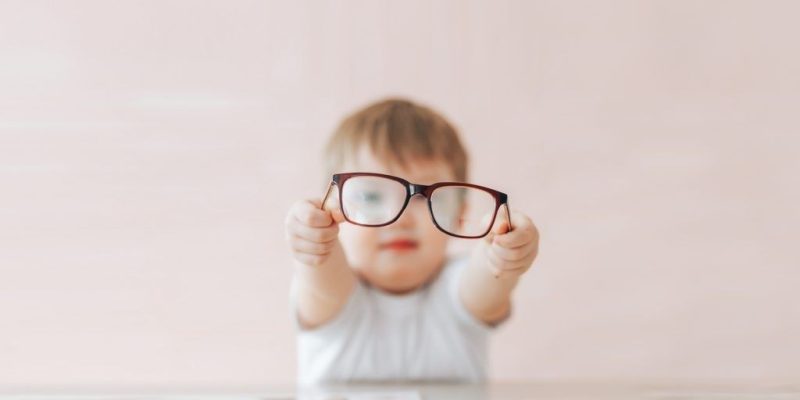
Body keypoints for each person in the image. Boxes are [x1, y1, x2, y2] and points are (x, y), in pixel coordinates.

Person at [285, 98, 540, 384]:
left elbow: (489, 278)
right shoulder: (335, 294)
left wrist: (503, 251)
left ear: (459, 214)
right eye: (371, 196)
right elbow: (322, 275)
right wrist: (313, 239)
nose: (401, 218)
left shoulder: (459, 290)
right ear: (335, 209)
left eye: (425, 197)